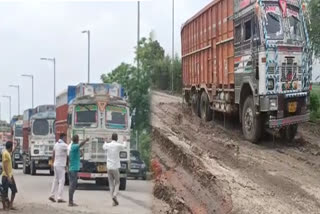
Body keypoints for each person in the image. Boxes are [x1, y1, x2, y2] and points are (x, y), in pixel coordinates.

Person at [103, 133, 127, 206]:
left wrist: (105, 141)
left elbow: (104, 146)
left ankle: (113, 201)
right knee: (117, 182)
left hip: (108, 167)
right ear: (116, 139)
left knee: (111, 184)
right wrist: (125, 140)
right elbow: (124, 146)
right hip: (115, 167)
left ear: (111, 138)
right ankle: (115, 195)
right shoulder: (118, 145)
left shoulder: (108, 145)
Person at [68, 135, 90, 207]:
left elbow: (79, 155)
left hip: (74, 169)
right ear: (77, 140)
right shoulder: (74, 146)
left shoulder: (74, 148)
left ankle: (71, 201)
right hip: (73, 169)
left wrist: (81, 153)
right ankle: (70, 202)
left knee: (73, 185)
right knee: (72, 185)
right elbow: (80, 144)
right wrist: (86, 140)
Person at [49, 133, 68, 203]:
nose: (66, 139)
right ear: (63, 137)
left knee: (55, 180)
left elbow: (53, 154)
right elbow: (69, 151)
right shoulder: (64, 145)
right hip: (61, 165)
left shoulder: (56, 144)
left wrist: (52, 163)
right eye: (65, 138)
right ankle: (59, 197)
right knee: (62, 180)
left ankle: (52, 195)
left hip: (56, 164)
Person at [1, 141, 18, 210]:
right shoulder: (5, 153)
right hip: (6, 176)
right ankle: (4, 207)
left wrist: (16, 146)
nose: (12, 148)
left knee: (14, 190)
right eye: (12, 147)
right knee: (5, 193)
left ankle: (10, 205)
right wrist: (8, 176)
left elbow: (12, 152)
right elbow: (4, 166)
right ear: (10, 147)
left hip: (10, 176)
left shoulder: (7, 153)